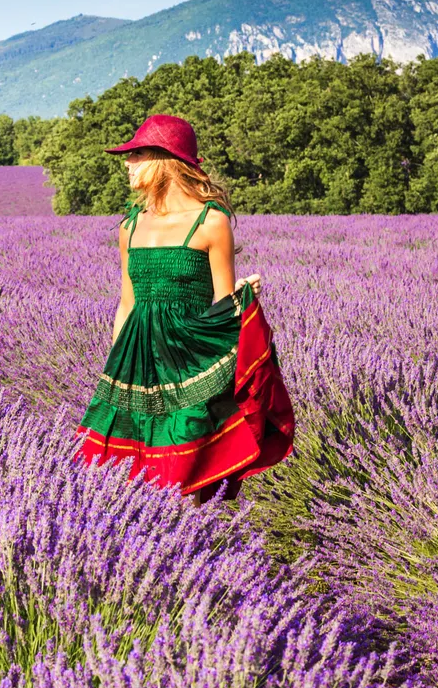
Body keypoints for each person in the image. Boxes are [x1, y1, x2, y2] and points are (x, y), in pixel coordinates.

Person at [72, 114, 295, 504]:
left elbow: (222, 302)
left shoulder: (211, 222)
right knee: (121, 473)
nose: (128, 163)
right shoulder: (131, 225)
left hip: (187, 357)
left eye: (137, 154)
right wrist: (115, 366)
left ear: (163, 160)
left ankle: (189, 541)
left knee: (183, 468)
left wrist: (239, 300)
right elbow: (127, 302)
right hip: (135, 358)